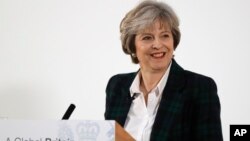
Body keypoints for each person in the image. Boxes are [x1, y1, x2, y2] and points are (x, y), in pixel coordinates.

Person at [104, 1, 223, 141]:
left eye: (165, 35)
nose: (158, 44)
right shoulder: (117, 85)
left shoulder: (199, 88)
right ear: (132, 45)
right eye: (147, 37)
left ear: (174, 41)